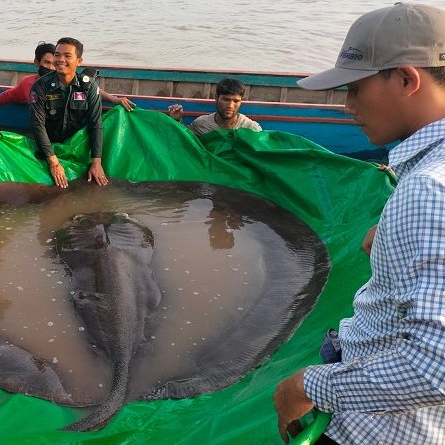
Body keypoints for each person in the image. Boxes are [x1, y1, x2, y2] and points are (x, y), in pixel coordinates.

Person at [273, 4, 445, 444]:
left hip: (377, 430)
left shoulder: (428, 190)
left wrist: (308, 386)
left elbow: (434, 366)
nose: (347, 106)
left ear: (407, 79)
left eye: (355, 88)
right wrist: (389, 230)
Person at [29, 37, 106, 189]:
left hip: (77, 149)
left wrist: (96, 162)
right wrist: (54, 163)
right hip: (49, 149)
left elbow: (95, 124)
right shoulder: (40, 86)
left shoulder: (89, 87)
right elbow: (37, 125)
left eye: (67, 56)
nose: (60, 60)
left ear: (79, 61)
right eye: (57, 55)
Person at [0, 41, 135, 111]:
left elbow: (89, 88)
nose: (51, 67)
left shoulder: (63, 77)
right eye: (46, 63)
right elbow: (7, 95)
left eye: (53, 63)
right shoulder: (28, 84)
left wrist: (113, 99)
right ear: (37, 63)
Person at [167, 78, 261, 135]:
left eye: (236, 101)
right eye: (226, 99)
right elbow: (184, 140)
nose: (230, 106)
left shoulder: (251, 128)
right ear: (216, 98)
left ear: (241, 102)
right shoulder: (201, 125)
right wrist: (176, 121)